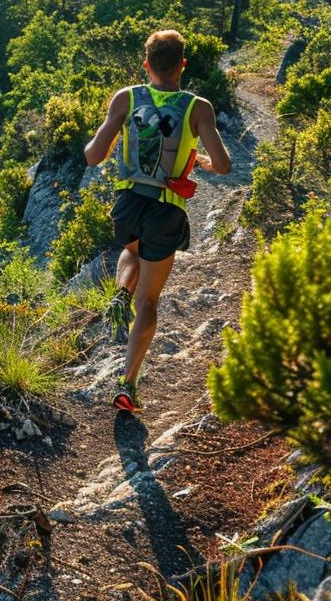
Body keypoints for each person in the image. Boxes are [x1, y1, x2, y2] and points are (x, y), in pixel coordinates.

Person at [82, 30, 231, 412]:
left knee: (131, 248)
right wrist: (200, 162)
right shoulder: (199, 108)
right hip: (166, 211)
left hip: (128, 203)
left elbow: (93, 156)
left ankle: (119, 292)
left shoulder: (125, 98)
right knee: (148, 301)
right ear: (183, 64)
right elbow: (225, 165)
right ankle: (127, 385)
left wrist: (108, 138)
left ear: (146, 65)